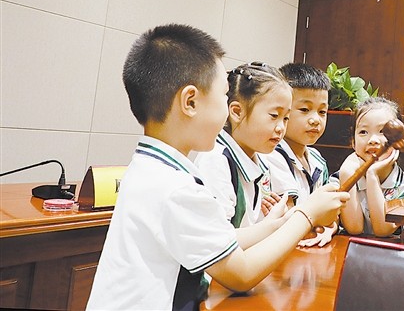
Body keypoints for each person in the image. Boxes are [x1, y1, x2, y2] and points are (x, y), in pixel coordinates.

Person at [87, 24, 348, 310]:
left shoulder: (153, 168)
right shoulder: (177, 188)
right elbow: (241, 274)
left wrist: (277, 224)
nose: (228, 109)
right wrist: (306, 216)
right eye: (224, 96)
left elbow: (218, 239)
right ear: (190, 102)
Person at [194, 62, 292, 228]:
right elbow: (218, 238)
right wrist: (272, 225)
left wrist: (275, 216)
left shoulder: (261, 158)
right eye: (274, 115)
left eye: (286, 118)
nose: (281, 128)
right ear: (237, 112)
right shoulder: (216, 161)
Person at [260, 62, 337, 247]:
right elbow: (291, 217)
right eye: (304, 110)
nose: (315, 120)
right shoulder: (272, 154)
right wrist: (321, 221)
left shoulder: (317, 159)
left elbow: (330, 214)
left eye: (322, 112)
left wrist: (330, 227)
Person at [336, 97, 404, 237]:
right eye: (363, 132)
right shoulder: (338, 178)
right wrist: (346, 172)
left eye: (383, 131)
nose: (373, 140)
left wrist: (372, 175)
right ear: (353, 142)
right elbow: (354, 228)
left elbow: (382, 230)